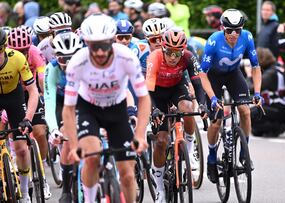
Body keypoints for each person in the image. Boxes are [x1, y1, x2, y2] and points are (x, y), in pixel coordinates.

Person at [62, 13, 151, 203]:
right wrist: (75, 144)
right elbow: (68, 109)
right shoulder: (77, 62)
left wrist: (141, 134)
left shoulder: (126, 57)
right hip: (89, 109)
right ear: (86, 43)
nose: (100, 52)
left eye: (105, 45)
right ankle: (89, 199)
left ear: (112, 41)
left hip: (117, 109)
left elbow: (143, 98)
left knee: (127, 174)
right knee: (92, 157)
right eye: (94, 46)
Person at [198, 9, 262, 183]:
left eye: (237, 30)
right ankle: (211, 158)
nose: (234, 34)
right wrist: (212, 98)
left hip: (234, 74)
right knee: (216, 120)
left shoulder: (247, 37)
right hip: (213, 77)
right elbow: (202, 73)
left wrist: (257, 93)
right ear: (222, 28)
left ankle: (244, 154)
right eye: (229, 30)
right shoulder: (213, 41)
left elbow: (256, 68)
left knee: (245, 111)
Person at [146, 27, 206, 203]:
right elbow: (147, 90)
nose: (173, 57)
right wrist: (154, 109)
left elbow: (198, 82)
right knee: (162, 141)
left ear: (183, 50)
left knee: (188, 109)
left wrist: (203, 105)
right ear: (163, 49)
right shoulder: (154, 57)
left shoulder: (188, 56)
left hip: (176, 88)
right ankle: (159, 187)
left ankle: (188, 149)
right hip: (156, 93)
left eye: (177, 53)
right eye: (170, 52)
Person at [7, 26, 52, 199]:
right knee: (12, 132)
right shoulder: (8, 58)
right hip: (14, 93)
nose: (23, 53)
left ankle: (41, 168)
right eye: (18, 50)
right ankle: (12, 156)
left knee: (40, 131)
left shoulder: (35, 52)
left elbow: (41, 77)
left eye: (25, 50)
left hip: (32, 90)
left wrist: (44, 97)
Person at [0, 27, 39, 203]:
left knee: (22, 148)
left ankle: (23, 191)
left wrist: (27, 119)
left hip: (14, 98)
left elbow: (33, 91)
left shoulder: (17, 58)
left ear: (4, 48)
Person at [44, 32, 83, 203]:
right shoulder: (51, 69)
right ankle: (66, 189)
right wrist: (53, 130)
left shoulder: (88, 65)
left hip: (83, 100)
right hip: (62, 101)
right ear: (56, 56)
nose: (67, 64)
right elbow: (49, 102)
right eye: (63, 59)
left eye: (71, 59)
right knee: (66, 135)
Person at [249, 48, 285, 137]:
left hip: (279, 107)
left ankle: (280, 126)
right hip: (280, 106)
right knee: (255, 131)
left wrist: (250, 75)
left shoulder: (271, 73)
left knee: (250, 113)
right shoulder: (277, 67)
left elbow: (252, 89)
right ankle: (274, 127)